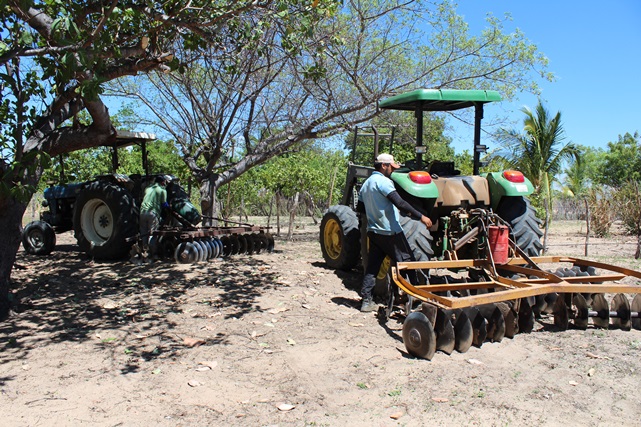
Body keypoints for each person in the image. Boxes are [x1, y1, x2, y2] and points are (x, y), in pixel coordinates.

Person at [357, 153, 432, 312]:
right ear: (384, 166)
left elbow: (360, 210)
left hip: (374, 232)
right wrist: (421, 217)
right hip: (390, 232)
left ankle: (366, 301)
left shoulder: (366, 184)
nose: (392, 170)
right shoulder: (384, 182)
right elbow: (400, 203)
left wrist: (375, 215)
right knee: (409, 263)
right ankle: (417, 299)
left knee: (372, 268)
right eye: (391, 167)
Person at [140, 175, 169, 257]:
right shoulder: (162, 190)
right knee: (153, 234)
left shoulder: (148, 188)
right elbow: (164, 204)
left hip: (142, 212)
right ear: (163, 182)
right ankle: (152, 253)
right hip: (153, 213)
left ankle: (144, 252)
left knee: (144, 233)